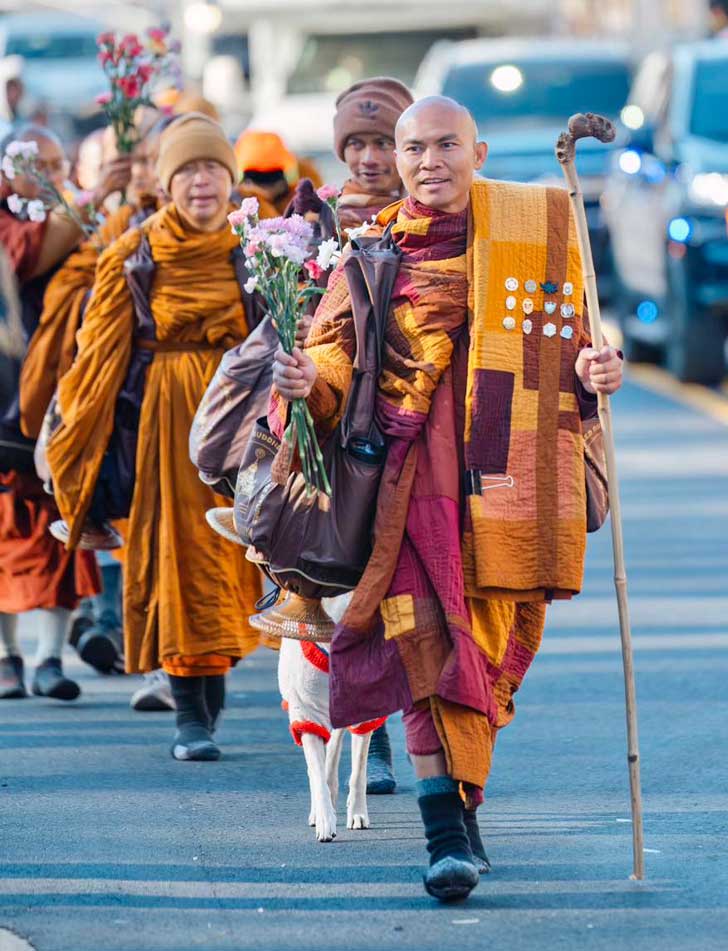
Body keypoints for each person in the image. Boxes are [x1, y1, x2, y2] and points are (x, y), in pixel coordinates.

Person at [272, 96, 624, 901]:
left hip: (510, 475)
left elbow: (576, 345)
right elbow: (332, 359)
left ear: (480, 149)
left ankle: (464, 815)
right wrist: (305, 382)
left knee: (487, 652)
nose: (430, 162)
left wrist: (598, 375)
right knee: (428, 648)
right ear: (397, 161)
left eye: (446, 146)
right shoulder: (370, 253)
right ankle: (443, 839)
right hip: (409, 484)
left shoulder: (538, 231)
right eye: (414, 149)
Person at [47, 114, 263, 760]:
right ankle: (189, 715)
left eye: (213, 169)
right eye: (188, 171)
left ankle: (210, 696)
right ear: (167, 184)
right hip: (165, 422)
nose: (202, 182)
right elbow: (96, 356)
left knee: (232, 559)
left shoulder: (258, 246)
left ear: (231, 177)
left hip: (244, 414)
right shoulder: (133, 253)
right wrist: (75, 441)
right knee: (175, 559)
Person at [286, 76, 413, 795]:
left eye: (381, 142)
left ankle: (386, 728)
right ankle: (346, 719)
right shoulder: (315, 221)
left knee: (394, 577)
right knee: (338, 574)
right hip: (330, 417)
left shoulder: (429, 216)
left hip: (402, 417)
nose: (369, 158)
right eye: (355, 143)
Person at [19, 116, 170, 682]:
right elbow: (54, 275)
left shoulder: (182, 224)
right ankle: (97, 630)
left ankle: (159, 659)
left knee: (157, 522)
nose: (140, 171)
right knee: (96, 506)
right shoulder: (92, 223)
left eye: (153, 161)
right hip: (90, 383)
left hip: (163, 385)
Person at [0, 124, 125, 701]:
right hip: (7, 388)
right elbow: (28, 254)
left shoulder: (77, 219)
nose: (51, 176)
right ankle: (8, 658)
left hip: (60, 390)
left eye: (57, 164)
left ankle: (50, 658)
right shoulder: (19, 219)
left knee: (58, 527)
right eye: (38, 165)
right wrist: (93, 198)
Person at [234, 129, 322, 216]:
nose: (265, 190)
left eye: (272, 176)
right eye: (256, 176)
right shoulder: (234, 202)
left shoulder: (305, 185)